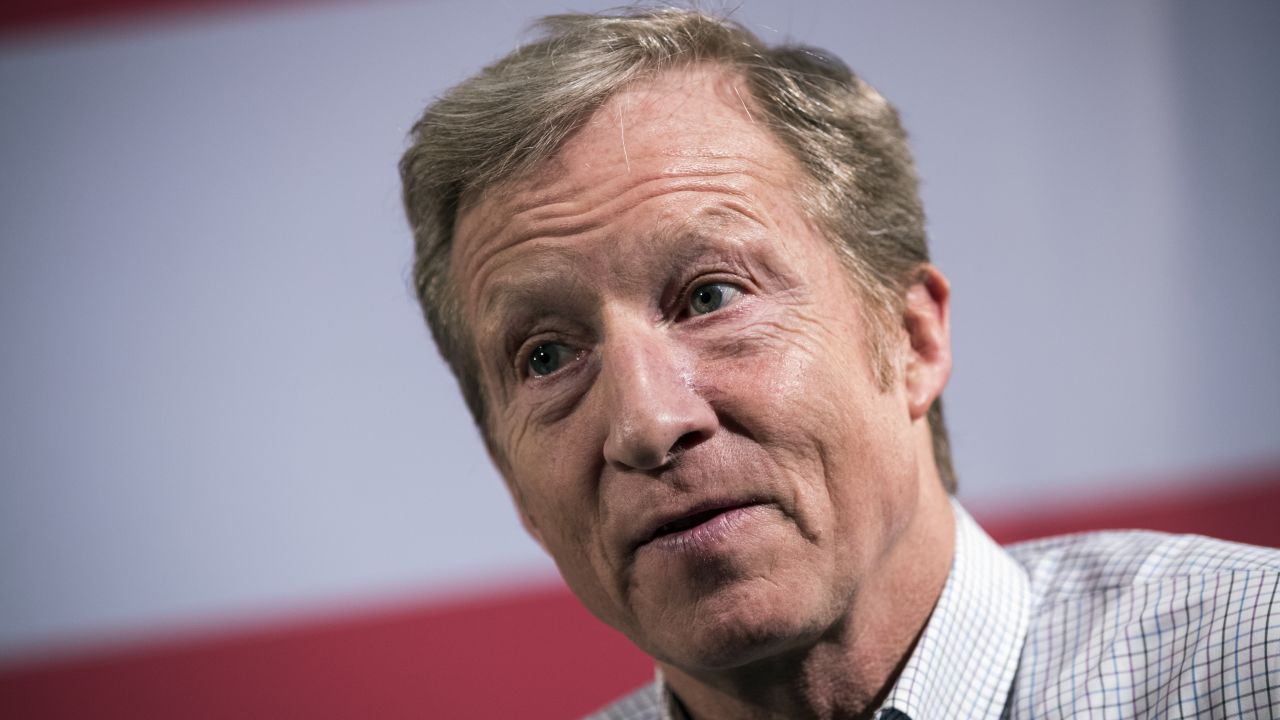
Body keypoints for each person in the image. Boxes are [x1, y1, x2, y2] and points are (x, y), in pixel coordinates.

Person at [400, 8, 1279, 719]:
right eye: (546, 356)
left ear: (910, 340)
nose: (647, 423)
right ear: (513, 483)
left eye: (711, 296)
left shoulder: (1253, 661)